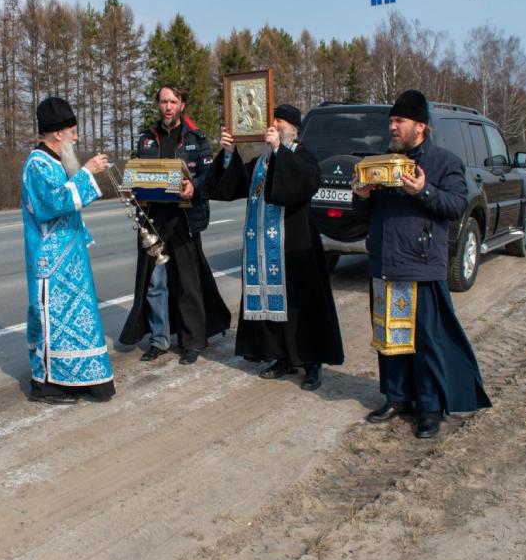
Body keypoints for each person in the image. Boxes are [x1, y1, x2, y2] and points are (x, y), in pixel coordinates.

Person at [353, 89, 491, 437]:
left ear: (421, 126)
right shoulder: (384, 163)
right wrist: (362, 196)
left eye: (399, 121)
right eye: (391, 121)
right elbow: (365, 214)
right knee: (389, 336)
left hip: (421, 264)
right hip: (385, 262)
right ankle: (397, 397)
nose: (392, 127)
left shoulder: (445, 162)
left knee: (426, 341)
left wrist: (422, 191)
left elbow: (456, 206)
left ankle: (430, 407)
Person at [204, 104, 344, 390]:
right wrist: (229, 153)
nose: (276, 124)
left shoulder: (303, 155)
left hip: (295, 247)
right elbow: (233, 185)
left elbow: (304, 183)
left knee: (302, 306)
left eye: (281, 120)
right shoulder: (262, 161)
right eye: (274, 120)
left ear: (294, 128)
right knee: (271, 303)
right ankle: (281, 357)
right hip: (264, 248)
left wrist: (280, 150)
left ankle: (311, 364)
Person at [119, 84, 231, 365]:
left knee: (187, 284)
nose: (167, 106)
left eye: (172, 101)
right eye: (163, 101)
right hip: (154, 220)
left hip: (184, 219)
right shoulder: (147, 139)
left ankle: (192, 342)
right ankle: (159, 340)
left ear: (182, 105)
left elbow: (209, 177)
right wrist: (131, 189)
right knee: (155, 283)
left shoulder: (196, 138)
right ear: (158, 105)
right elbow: (138, 176)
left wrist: (194, 187)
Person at [21, 96, 115, 404]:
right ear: (58, 133)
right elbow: (52, 204)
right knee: (50, 322)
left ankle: (77, 379)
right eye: (73, 132)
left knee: (76, 323)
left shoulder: (56, 162)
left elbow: (68, 205)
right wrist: (86, 172)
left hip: (70, 259)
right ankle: (45, 384)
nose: (76, 138)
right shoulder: (37, 164)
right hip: (49, 262)